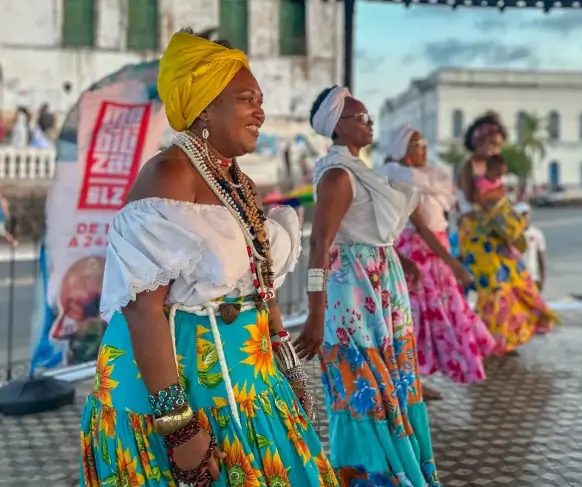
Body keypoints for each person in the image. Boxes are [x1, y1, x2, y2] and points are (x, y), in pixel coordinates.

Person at [79, 30, 336, 487]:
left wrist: (286, 367)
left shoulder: (235, 180)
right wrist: (179, 427)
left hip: (249, 386)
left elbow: (261, 280)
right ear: (203, 109)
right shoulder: (169, 174)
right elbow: (142, 309)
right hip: (181, 393)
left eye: (260, 99)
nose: (261, 110)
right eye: (245, 99)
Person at [298, 86, 439, 486]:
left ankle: (394, 471)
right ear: (338, 128)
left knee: (391, 381)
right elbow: (320, 244)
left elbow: (366, 231)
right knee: (363, 387)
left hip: (379, 281)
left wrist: (400, 257)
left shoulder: (361, 171)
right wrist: (315, 313)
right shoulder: (338, 176)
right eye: (361, 117)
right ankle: (369, 475)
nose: (370, 122)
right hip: (350, 293)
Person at [381, 124, 494, 399]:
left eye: (424, 143)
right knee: (416, 318)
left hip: (436, 253)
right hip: (419, 254)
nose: (424, 149)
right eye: (417, 144)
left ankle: (413, 381)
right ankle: (409, 382)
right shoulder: (398, 179)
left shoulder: (429, 178)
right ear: (403, 150)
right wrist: (453, 263)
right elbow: (421, 226)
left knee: (435, 316)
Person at [458, 143, 558, 355]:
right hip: (480, 241)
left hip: (500, 241)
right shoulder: (471, 172)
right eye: (488, 142)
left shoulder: (495, 182)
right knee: (494, 290)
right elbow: (475, 202)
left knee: (514, 286)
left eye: (497, 143)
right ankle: (488, 340)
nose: (493, 147)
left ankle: (503, 339)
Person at [515, 202, 546, 292]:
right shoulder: (512, 235)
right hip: (516, 279)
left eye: (526, 214)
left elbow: (541, 259)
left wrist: (542, 280)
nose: (524, 218)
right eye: (521, 215)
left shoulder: (537, 234)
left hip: (532, 279)